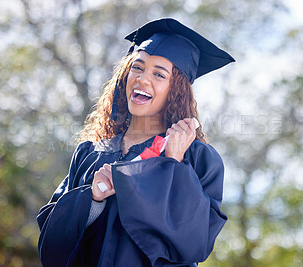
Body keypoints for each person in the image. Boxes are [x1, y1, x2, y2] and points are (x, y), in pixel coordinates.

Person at [37, 18, 235, 266]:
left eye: (159, 74)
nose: (142, 79)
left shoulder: (196, 157)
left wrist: (172, 164)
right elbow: (50, 245)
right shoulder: (90, 153)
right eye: (137, 68)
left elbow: (196, 241)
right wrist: (92, 200)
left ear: (176, 90)